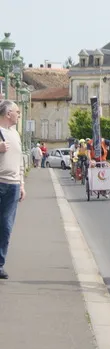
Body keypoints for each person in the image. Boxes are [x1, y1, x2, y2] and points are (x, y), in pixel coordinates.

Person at [0, 100, 26, 279]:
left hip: (13, 185)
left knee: (6, 227)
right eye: (17, 111)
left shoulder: (16, 134)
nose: (19, 114)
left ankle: (0, 264)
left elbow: (20, 161)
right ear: (8, 113)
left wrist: (22, 183)